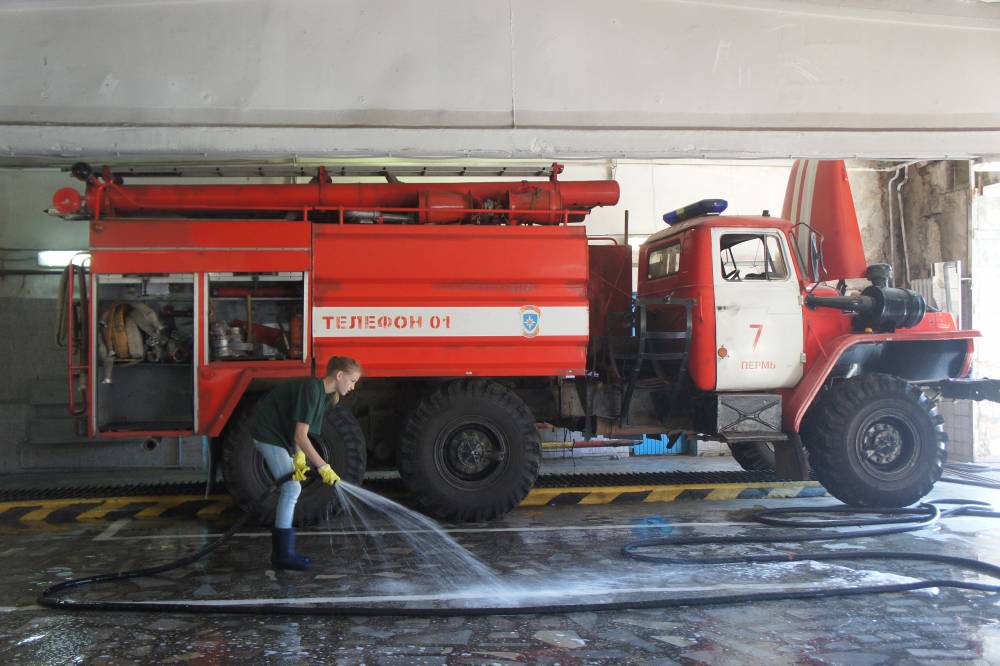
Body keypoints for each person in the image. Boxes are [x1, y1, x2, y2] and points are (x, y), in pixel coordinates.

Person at [251, 356, 362, 570]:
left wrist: (299, 457)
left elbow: (301, 432)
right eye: (352, 381)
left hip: (279, 437)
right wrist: (323, 466)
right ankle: (283, 554)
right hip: (267, 434)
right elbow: (300, 436)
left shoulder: (324, 397)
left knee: (292, 488)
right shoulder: (312, 389)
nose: (353, 387)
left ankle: (284, 553)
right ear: (339, 375)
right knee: (291, 489)